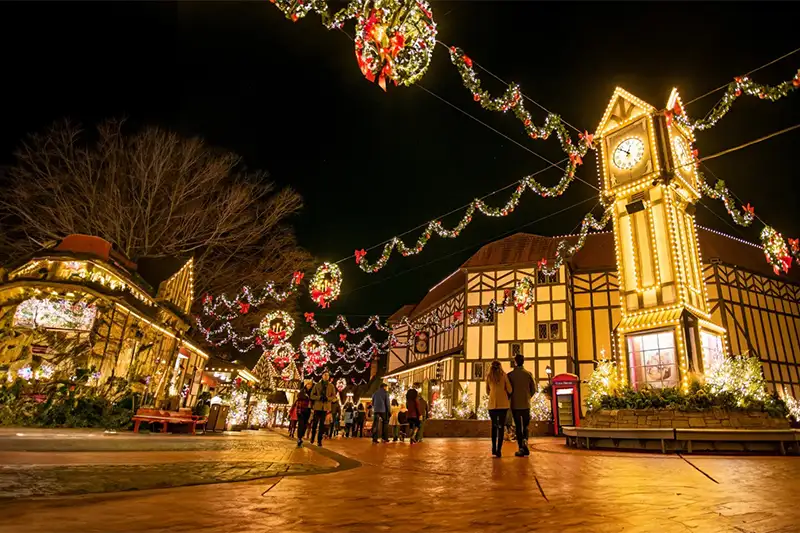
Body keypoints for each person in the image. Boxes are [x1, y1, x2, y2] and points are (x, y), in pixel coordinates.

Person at [508, 353, 536, 457]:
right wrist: (528, 397)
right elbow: (533, 389)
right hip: (526, 404)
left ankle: (520, 447)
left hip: (515, 405)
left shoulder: (510, 375)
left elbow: (508, 390)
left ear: (515, 362)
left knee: (518, 427)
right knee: (525, 426)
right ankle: (525, 443)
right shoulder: (528, 374)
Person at [485, 359, 513, 457]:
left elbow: (487, 391)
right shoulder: (503, 375)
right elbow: (510, 389)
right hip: (503, 405)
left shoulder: (489, 377)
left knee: (494, 427)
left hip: (492, 405)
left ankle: (493, 448)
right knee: (501, 427)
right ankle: (499, 450)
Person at [310, 371, 336, 447]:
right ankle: (312, 437)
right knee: (314, 424)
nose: (326, 376)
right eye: (325, 375)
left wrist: (327, 398)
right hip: (317, 407)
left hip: (325, 408)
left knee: (322, 425)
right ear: (322, 376)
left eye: (327, 375)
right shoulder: (317, 385)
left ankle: (319, 440)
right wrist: (319, 397)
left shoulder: (331, 386)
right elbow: (312, 395)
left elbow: (333, 396)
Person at [295, 380, 313, 448]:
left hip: (308, 410)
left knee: (305, 425)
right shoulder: (302, 392)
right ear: (305, 385)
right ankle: (299, 438)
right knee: (301, 424)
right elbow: (299, 399)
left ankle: (301, 437)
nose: (309, 386)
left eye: (310, 384)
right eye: (308, 384)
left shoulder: (311, 392)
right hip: (301, 410)